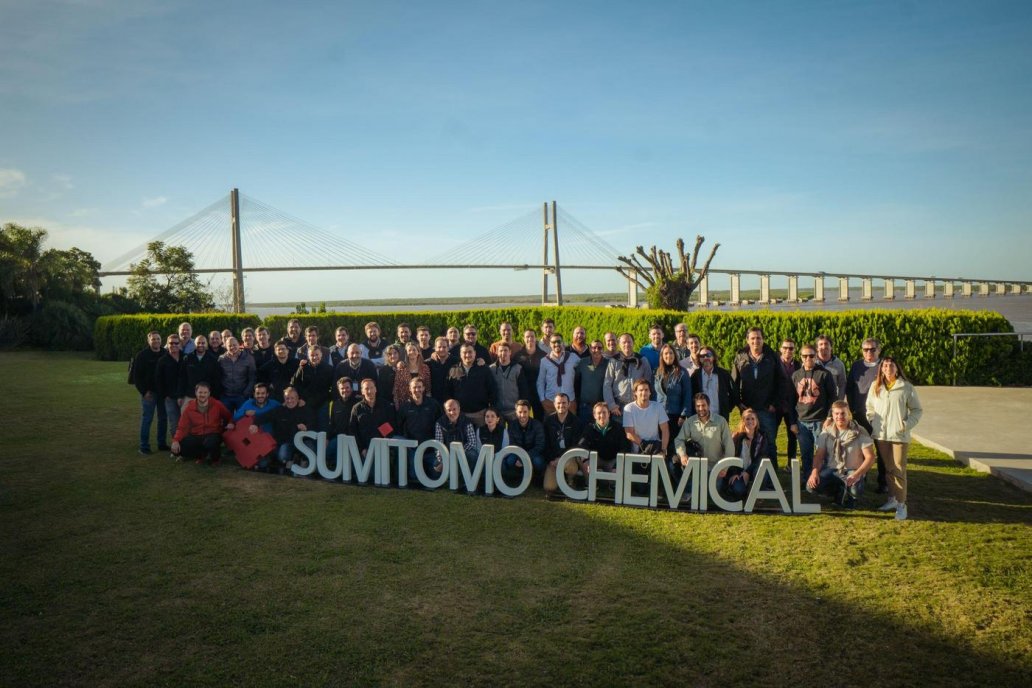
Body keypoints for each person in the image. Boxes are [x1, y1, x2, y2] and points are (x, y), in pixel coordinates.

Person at [866, 356, 922, 521]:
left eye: (891, 365)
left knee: (898, 470)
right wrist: (872, 420)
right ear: (881, 369)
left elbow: (917, 410)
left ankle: (901, 505)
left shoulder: (906, 387)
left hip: (899, 436)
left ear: (897, 368)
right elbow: (869, 406)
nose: (888, 367)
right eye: (885, 365)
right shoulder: (875, 386)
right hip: (881, 435)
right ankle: (892, 499)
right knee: (889, 470)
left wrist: (906, 424)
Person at [807, 401, 876, 508]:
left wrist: (857, 474)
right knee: (811, 486)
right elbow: (819, 455)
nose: (840, 417)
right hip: (833, 469)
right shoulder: (826, 432)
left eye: (843, 413)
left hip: (853, 470)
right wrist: (814, 472)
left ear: (849, 414)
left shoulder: (860, 431)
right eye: (836, 414)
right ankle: (838, 492)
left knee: (855, 491)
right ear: (832, 415)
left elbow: (870, 457)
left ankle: (852, 496)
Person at [731, 327, 780, 466]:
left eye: (758, 338)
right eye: (752, 338)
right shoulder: (740, 358)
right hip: (748, 408)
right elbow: (734, 383)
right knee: (747, 442)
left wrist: (774, 404)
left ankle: (772, 479)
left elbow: (781, 381)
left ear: (763, 339)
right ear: (747, 340)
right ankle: (749, 473)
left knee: (770, 443)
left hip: (766, 409)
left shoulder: (772, 357)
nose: (755, 341)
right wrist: (739, 403)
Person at [847, 338, 887, 493]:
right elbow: (850, 388)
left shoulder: (885, 366)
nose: (869, 352)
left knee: (881, 451)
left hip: (879, 417)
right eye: (865, 349)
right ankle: (861, 479)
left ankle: (883, 482)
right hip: (860, 416)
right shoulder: (856, 366)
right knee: (861, 450)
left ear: (879, 350)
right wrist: (853, 409)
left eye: (872, 349)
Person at [792, 343, 837, 479]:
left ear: (816, 356)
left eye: (811, 355)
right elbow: (791, 400)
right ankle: (807, 479)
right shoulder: (796, 375)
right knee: (805, 454)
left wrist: (829, 417)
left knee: (822, 454)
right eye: (804, 356)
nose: (808, 359)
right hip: (802, 421)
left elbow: (832, 398)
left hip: (820, 421)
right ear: (800, 357)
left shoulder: (824, 374)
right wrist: (792, 421)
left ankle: (820, 481)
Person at [672, 393, 734, 491]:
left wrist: (724, 468)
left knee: (712, 491)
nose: (701, 408)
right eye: (698, 406)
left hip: (715, 469)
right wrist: (683, 455)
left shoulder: (721, 421)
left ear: (708, 405)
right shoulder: (690, 422)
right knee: (694, 491)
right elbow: (679, 439)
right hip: (696, 468)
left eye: (703, 405)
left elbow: (729, 446)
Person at [251, 386, 313, 473]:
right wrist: (255, 424)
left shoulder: (305, 410)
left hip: (301, 443)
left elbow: (313, 424)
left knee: (311, 449)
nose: (290, 401)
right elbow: (263, 417)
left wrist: (306, 427)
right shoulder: (279, 410)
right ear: (284, 398)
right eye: (287, 398)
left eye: (292, 398)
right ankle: (288, 460)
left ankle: (297, 459)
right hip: (284, 443)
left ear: (298, 398)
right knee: (281, 457)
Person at [171, 382, 234, 466]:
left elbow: (229, 416)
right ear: (196, 393)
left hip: (213, 434)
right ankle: (202, 455)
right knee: (178, 449)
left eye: (205, 392)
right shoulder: (189, 408)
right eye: (200, 392)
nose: (202, 395)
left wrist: (231, 423)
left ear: (209, 393)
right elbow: (182, 427)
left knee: (210, 443)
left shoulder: (217, 404)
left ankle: (216, 459)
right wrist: (175, 441)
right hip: (197, 435)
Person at [718, 407, 769, 500]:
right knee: (739, 490)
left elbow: (760, 458)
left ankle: (757, 492)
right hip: (738, 472)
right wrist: (734, 473)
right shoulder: (736, 437)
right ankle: (746, 492)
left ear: (757, 421)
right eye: (747, 419)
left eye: (753, 418)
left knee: (762, 467)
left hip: (753, 470)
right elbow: (730, 456)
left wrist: (747, 472)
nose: (750, 421)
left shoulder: (762, 437)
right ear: (743, 421)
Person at [603, 333, 653, 419]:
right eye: (624, 342)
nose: (627, 344)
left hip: (638, 404)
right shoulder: (614, 361)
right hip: (618, 406)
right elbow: (607, 384)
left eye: (629, 342)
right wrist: (612, 405)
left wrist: (645, 402)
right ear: (619, 344)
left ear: (633, 343)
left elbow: (649, 382)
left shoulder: (642, 360)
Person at [542, 393, 583, 495]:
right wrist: (552, 459)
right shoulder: (548, 421)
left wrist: (562, 458)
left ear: (569, 404)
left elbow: (575, 444)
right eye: (559, 403)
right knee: (549, 488)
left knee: (570, 468)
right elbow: (545, 443)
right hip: (553, 459)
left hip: (568, 458)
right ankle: (558, 478)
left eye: (564, 403)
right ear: (554, 404)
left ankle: (570, 480)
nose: (561, 405)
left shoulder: (576, 421)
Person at [447, 344, 497, 427]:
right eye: (464, 352)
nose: (467, 355)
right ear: (460, 354)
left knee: (481, 439)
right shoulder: (453, 370)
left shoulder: (484, 369)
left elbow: (492, 390)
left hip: (480, 414)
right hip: (461, 415)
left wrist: (491, 410)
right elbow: (448, 391)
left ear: (475, 353)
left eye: (470, 352)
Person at [133, 331, 165, 454]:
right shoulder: (142, 355)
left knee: (163, 419)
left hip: (162, 393)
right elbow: (137, 377)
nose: (156, 341)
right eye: (153, 339)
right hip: (149, 394)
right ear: (149, 341)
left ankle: (161, 444)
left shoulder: (164, 353)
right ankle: (144, 447)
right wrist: (144, 391)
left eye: (158, 339)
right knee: (147, 419)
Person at [291, 345, 334, 431]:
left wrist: (328, 398)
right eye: (312, 355)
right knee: (309, 427)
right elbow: (294, 383)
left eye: (317, 355)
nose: (314, 357)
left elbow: (333, 386)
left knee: (323, 428)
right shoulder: (303, 367)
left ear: (321, 355)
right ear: (308, 356)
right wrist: (300, 398)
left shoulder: (328, 369)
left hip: (323, 403)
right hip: (306, 403)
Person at [350, 378, 397, 456]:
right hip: (364, 451)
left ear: (375, 389)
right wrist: (361, 449)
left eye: (371, 388)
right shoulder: (356, 408)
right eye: (366, 389)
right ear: (362, 391)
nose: (369, 391)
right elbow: (353, 430)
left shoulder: (387, 406)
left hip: (384, 448)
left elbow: (393, 424)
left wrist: (382, 442)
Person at [432, 399, 479, 477]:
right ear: (445, 411)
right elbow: (439, 445)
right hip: (447, 454)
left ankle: (468, 479)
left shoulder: (467, 422)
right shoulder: (440, 423)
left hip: (464, 453)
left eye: (454, 409)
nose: (452, 412)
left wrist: (455, 457)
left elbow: (472, 442)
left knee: (472, 455)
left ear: (459, 409)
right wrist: (442, 460)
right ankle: (450, 479)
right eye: (449, 410)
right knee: (436, 464)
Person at [623, 379, 669, 457]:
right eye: (640, 390)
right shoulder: (629, 408)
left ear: (650, 392)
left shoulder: (658, 407)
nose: (644, 392)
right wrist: (645, 445)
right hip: (637, 451)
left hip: (656, 449)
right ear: (635, 393)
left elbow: (665, 430)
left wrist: (663, 450)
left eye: (646, 390)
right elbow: (629, 433)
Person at [577, 402, 627, 473]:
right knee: (582, 461)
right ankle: (588, 483)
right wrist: (586, 461)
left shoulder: (618, 428)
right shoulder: (589, 428)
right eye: (599, 413)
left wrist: (616, 466)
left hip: (613, 460)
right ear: (594, 415)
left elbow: (624, 447)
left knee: (615, 477)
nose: (602, 415)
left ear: (609, 414)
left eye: (604, 412)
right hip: (596, 459)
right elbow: (581, 445)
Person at [689, 346, 735, 423]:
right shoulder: (695, 376)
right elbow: (691, 396)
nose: (706, 357)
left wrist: (727, 408)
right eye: (702, 356)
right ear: (699, 359)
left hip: (720, 418)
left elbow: (734, 393)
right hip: (701, 419)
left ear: (713, 357)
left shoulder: (723, 374)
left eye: (708, 355)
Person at [654, 343, 693, 434]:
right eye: (666, 353)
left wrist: (684, 415)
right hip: (659, 415)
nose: (669, 356)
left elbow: (687, 394)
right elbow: (654, 393)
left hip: (676, 416)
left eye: (671, 353)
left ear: (675, 355)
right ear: (662, 356)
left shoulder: (682, 372)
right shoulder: (657, 373)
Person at [154, 333, 184, 448]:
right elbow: (158, 380)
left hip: (184, 396)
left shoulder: (185, 357)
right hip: (170, 398)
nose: (174, 345)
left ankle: (187, 445)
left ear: (180, 344)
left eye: (176, 343)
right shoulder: (162, 360)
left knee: (187, 422)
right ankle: (176, 446)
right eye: (171, 343)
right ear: (167, 344)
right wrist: (165, 395)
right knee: (174, 424)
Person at [537, 333, 578, 415]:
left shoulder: (573, 358)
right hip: (551, 402)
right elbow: (540, 381)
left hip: (570, 401)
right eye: (553, 342)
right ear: (550, 344)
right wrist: (543, 400)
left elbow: (585, 366)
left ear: (563, 342)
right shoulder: (544, 361)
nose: (556, 344)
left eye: (559, 341)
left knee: (571, 427)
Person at [504, 399, 546, 478]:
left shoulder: (537, 425)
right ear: (516, 412)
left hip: (533, 453)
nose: (522, 415)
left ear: (529, 412)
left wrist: (524, 458)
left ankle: (536, 477)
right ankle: (518, 476)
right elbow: (512, 444)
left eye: (525, 412)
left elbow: (540, 446)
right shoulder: (512, 425)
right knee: (510, 460)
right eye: (520, 412)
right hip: (518, 452)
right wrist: (520, 456)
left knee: (538, 462)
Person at [775, 339, 801, 466]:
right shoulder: (774, 363)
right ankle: (771, 463)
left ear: (794, 350)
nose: (788, 351)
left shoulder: (798, 365)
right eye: (785, 348)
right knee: (771, 435)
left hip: (792, 406)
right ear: (780, 349)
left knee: (792, 436)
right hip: (776, 406)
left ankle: (791, 465)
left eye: (791, 348)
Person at [489, 342, 529, 422]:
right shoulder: (491, 369)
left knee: (514, 434)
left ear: (510, 352)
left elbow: (523, 389)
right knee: (500, 434)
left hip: (514, 410)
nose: (503, 353)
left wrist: (521, 406)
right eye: (500, 351)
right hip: (498, 410)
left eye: (505, 350)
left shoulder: (518, 368)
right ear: (497, 352)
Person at [397, 378, 442, 444]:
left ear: (423, 388)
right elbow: (399, 425)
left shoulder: (433, 404)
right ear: (410, 389)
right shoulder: (404, 406)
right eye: (414, 387)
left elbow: (440, 422)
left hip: (430, 446)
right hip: (411, 447)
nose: (417, 390)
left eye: (419, 387)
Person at [513, 329, 546, 419]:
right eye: (527, 337)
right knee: (523, 419)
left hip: (539, 393)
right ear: (523, 339)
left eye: (532, 336)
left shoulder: (544, 356)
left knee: (539, 419)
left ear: (536, 338)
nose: (530, 339)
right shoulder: (518, 356)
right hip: (523, 393)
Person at [218, 337, 256, 414]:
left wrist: (246, 394)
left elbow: (253, 377)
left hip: (241, 397)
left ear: (239, 344)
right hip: (226, 396)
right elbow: (218, 376)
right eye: (230, 345)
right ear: (225, 346)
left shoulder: (249, 358)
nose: (232, 347)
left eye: (234, 345)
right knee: (227, 421)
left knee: (242, 420)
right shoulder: (221, 359)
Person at [574, 339, 608, 420]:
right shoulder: (582, 363)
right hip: (585, 407)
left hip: (602, 407)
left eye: (599, 348)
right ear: (589, 349)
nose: (596, 350)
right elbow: (576, 382)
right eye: (594, 347)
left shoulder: (608, 364)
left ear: (603, 349)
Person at [180, 334, 221, 401]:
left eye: (203, 343)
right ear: (194, 345)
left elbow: (216, 380)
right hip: (190, 395)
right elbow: (182, 377)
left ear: (207, 345)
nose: (201, 345)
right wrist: (180, 396)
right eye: (198, 343)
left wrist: (215, 397)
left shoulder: (213, 360)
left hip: (207, 397)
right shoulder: (187, 358)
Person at [394, 342, 432, 411]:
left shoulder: (425, 367)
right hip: (405, 403)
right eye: (409, 350)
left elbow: (428, 385)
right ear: (406, 353)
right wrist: (397, 406)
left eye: (414, 350)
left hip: (421, 403)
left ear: (418, 352)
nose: (412, 352)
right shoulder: (401, 368)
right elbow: (397, 388)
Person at [815, 334, 847, 402]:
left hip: (831, 402)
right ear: (817, 348)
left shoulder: (839, 364)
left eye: (826, 344)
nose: (824, 346)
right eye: (821, 344)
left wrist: (839, 402)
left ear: (831, 347)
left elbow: (842, 385)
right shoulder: (812, 363)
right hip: (815, 404)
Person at [426, 336, 452, 402]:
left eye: (444, 347)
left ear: (448, 348)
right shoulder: (428, 363)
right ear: (435, 348)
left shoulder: (456, 362)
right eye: (439, 347)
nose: (441, 349)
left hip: (451, 401)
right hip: (434, 401)